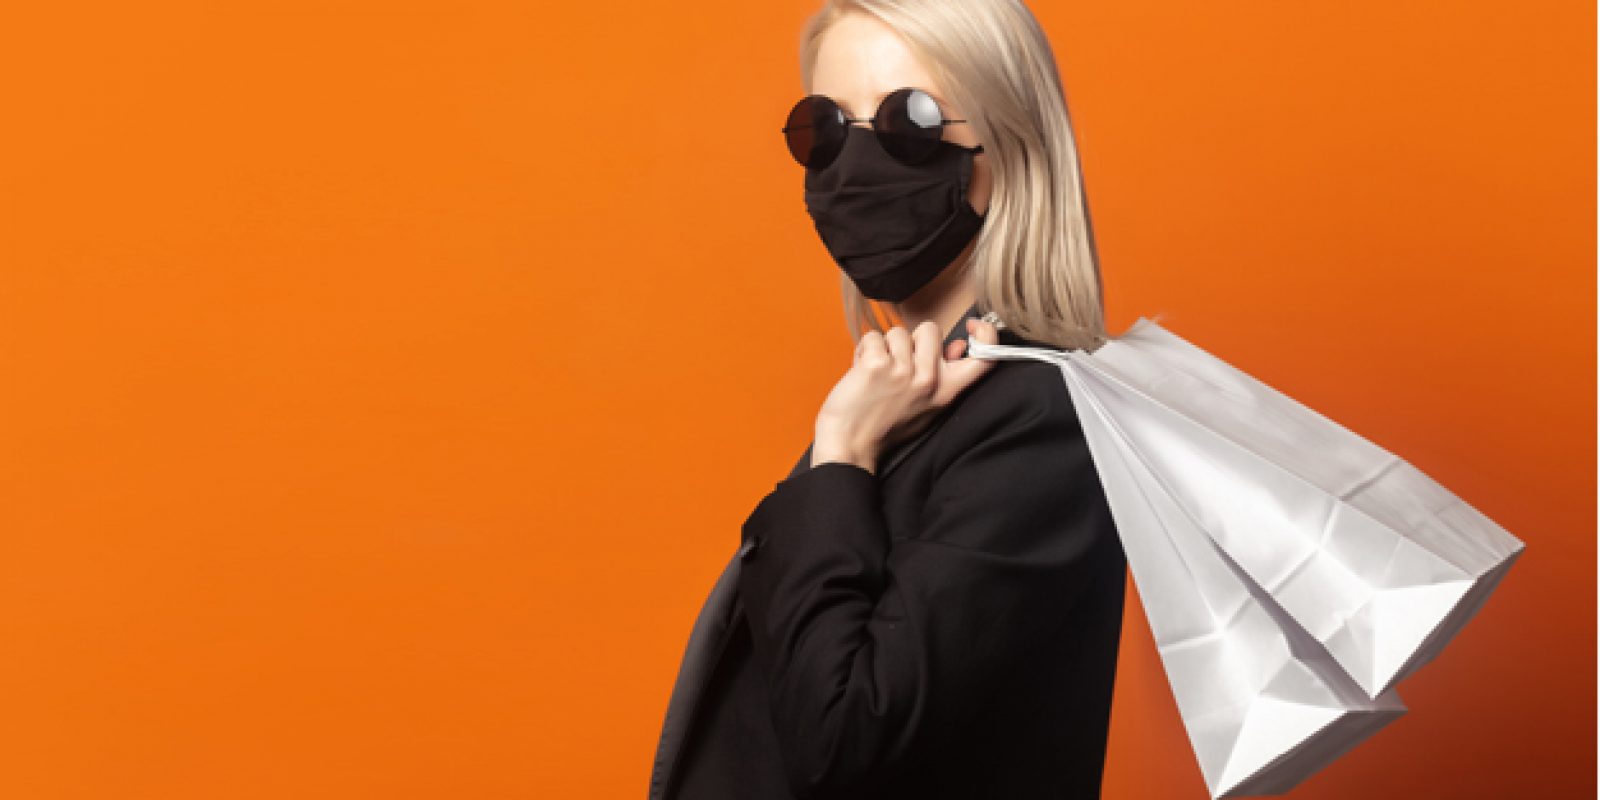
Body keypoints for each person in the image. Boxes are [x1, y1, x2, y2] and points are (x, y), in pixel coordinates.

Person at [649, 1, 1126, 797]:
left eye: (911, 120)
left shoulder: (1040, 418)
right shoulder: (911, 404)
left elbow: (844, 743)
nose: (855, 164)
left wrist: (838, 455)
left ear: (1010, 144)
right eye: (825, 128)